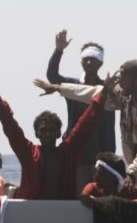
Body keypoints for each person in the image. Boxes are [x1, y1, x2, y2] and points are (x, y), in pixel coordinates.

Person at [35, 59, 137, 193]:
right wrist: (59, 88)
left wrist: (131, 172)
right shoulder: (127, 95)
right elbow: (94, 92)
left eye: (124, 78)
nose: (119, 83)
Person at [0, 73, 104, 200]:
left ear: (59, 133)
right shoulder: (28, 152)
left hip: (63, 211)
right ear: (37, 133)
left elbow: (86, 124)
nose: (47, 134)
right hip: (32, 212)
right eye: (43, 130)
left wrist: (103, 94)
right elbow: (10, 125)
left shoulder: (68, 152)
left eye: (52, 130)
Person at [47, 30, 117, 191]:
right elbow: (52, 76)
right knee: (77, 195)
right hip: (76, 156)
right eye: (85, 60)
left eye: (93, 60)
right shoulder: (73, 86)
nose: (89, 63)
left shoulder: (109, 90)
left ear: (100, 63)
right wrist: (58, 51)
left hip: (101, 157)